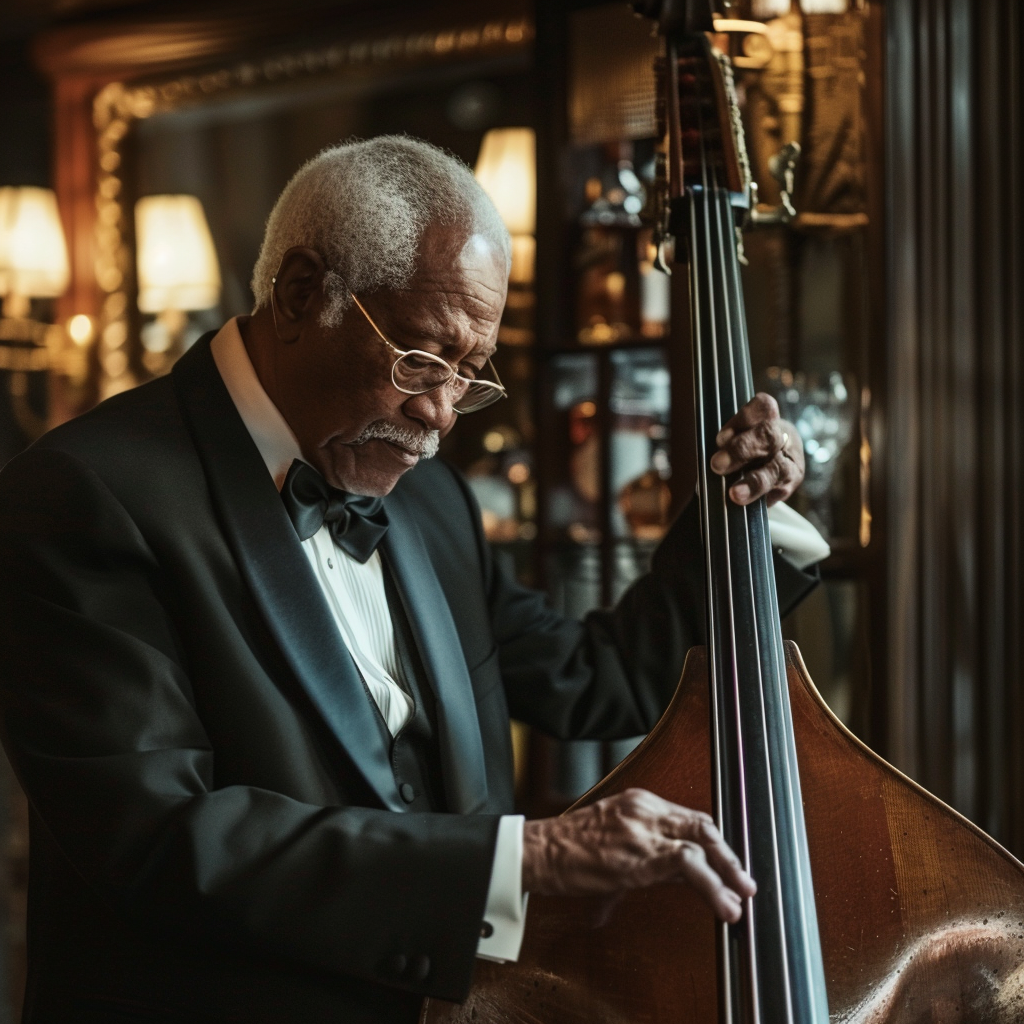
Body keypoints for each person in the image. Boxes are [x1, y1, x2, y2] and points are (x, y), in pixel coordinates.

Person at [0, 137, 823, 1024]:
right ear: (301, 294)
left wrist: (745, 517)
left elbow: (592, 683)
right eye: (422, 361)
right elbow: (161, 841)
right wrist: (524, 861)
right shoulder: (82, 493)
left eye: (470, 375)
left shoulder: (431, 501)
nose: (439, 416)